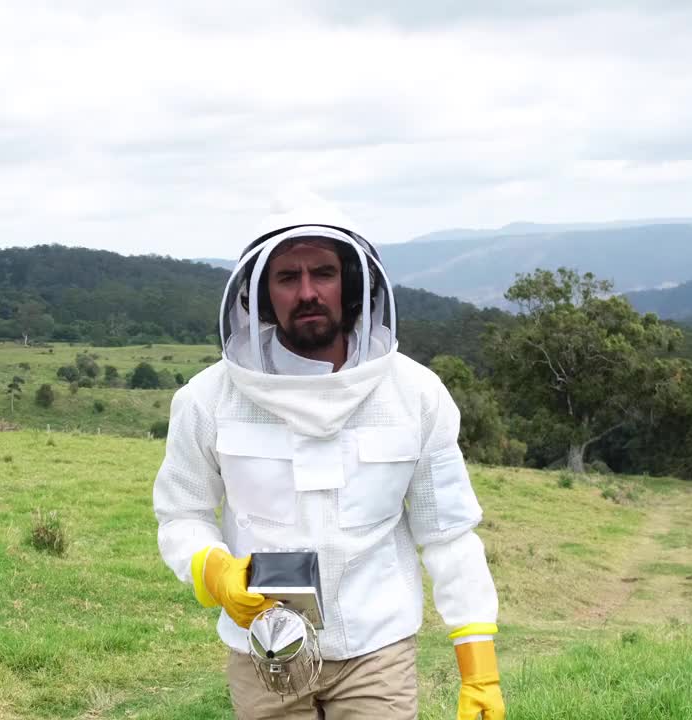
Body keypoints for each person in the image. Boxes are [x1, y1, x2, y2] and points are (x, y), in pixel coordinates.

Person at [153, 196, 505, 719]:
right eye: (287, 277)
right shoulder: (208, 399)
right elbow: (182, 514)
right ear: (262, 295)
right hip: (264, 646)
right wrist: (215, 572)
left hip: (377, 649)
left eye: (324, 272)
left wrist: (479, 667)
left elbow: (448, 532)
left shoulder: (415, 393)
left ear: (354, 285)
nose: (308, 291)